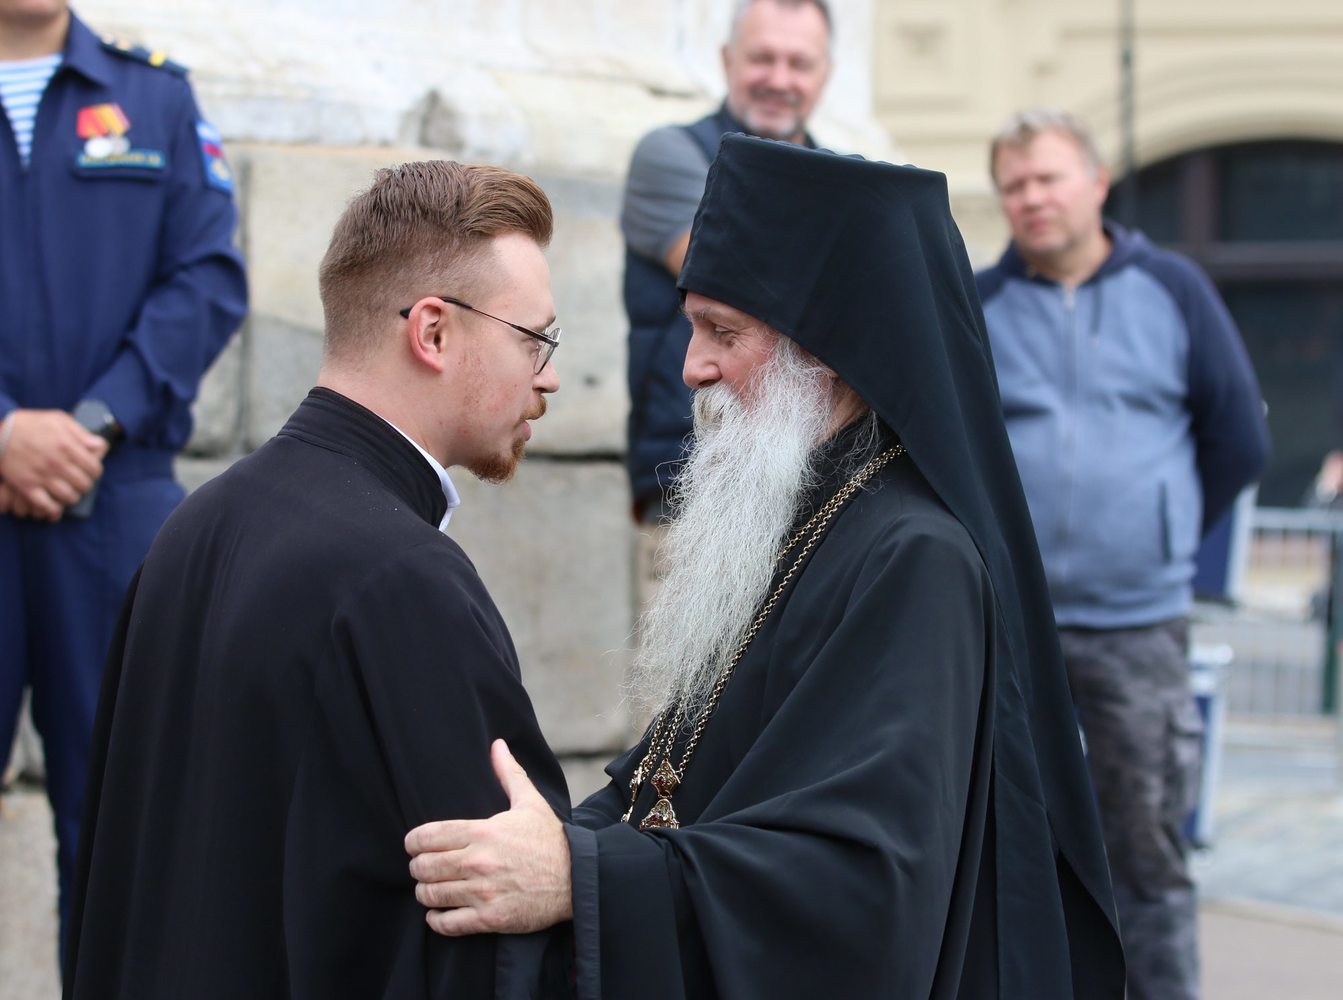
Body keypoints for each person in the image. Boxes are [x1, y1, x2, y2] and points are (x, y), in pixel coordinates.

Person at [407, 134, 1127, 999]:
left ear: (829, 347)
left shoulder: (917, 560)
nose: (692, 367)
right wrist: (556, 842)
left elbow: (858, 887)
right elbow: (680, 773)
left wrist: (580, 877)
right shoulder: (790, 514)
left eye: (723, 331)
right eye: (691, 326)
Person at [64, 161, 573, 997]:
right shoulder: (404, 578)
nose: (547, 376)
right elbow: (488, 943)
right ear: (433, 332)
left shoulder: (195, 526)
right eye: (532, 339)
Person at [976, 109, 1271, 1000]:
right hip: (1008, 628)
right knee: (998, 845)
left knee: (1145, 850)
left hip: (1136, 627)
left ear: (1097, 182)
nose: (1031, 198)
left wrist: (1159, 530)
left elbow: (1237, 439)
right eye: (1014, 184)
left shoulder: (1173, 289)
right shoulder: (978, 303)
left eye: (1049, 177)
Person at [0, 0, 247, 942]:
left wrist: (93, 423)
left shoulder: (156, 97)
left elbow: (206, 278)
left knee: (122, 833)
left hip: (113, 502)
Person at [623, 0, 832, 533]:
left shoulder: (842, 177)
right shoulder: (669, 156)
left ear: (825, 74)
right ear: (727, 60)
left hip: (816, 481)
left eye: (799, 63)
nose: (779, 79)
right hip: (691, 482)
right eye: (762, 58)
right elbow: (742, 281)